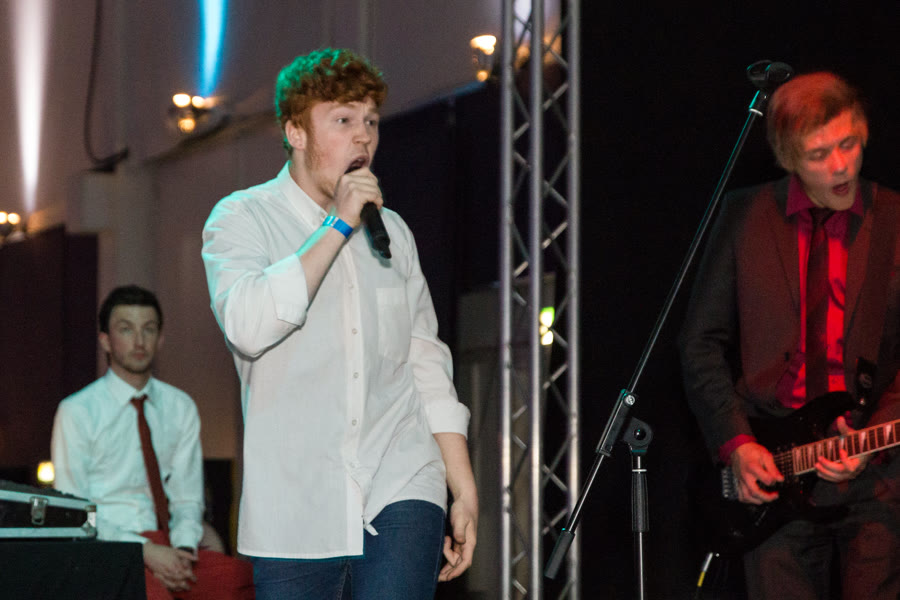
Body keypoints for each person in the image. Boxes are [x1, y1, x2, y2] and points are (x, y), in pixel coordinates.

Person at [201, 48, 478, 599]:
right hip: (295, 504)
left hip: (401, 477)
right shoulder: (242, 217)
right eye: (344, 120)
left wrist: (463, 488)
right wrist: (336, 227)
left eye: (371, 121)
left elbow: (425, 361)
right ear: (296, 132)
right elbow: (248, 325)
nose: (363, 138)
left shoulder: (394, 233)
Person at [679, 71, 900, 599]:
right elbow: (699, 342)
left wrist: (876, 435)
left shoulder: (894, 219)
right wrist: (736, 442)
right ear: (787, 157)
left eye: (848, 144)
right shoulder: (744, 217)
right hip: (774, 464)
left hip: (875, 470)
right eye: (819, 154)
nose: (840, 165)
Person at [51, 285, 255, 600]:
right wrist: (144, 550)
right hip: (106, 545)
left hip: (168, 542)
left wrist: (183, 548)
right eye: (126, 329)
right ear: (105, 340)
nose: (139, 341)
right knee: (150, 594)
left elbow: (188, 497)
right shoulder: (77, 411)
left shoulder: (180, 406)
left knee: (243, 582)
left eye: (148, 329)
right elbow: (75, 510)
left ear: (160, 338)